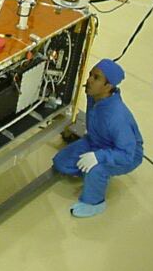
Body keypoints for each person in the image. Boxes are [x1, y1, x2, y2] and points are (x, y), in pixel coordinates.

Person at [53, 59, 143, 218]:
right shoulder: (94, 97)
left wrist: (98, 157)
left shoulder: (117, 116)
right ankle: (91, 173)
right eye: (90, 75)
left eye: (96, 78)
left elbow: (127, 154)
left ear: (108, 86)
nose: (89, 80)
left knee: (96, 170)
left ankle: (94, 203)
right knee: (61, 162)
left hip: (124, 154)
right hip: (96, 141)